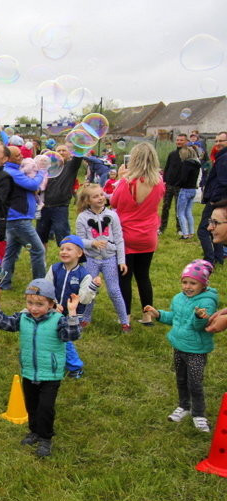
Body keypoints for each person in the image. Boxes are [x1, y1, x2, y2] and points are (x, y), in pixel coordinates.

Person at [0, 279, 82, 458]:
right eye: (30, 303)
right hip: (29, 371)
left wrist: (72, 313)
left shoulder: (59, 320)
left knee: (45, 407)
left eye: (40, 304)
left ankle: (46, 437)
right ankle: (35, 431)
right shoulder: (23, 318)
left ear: (51, 304)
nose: (34, 308)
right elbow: (1, 323)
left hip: (51, 374)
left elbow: (72, 335)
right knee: (31, 405)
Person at [142, 260, 217, 433]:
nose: (188, 287)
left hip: (196, 351)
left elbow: (200, 327)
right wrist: (158, 314)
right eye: (185, 282)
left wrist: (200, 317)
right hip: (179, 347)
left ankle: (199, 414)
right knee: (181, 379)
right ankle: (184, 406)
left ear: (203, 284)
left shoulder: (207, 302)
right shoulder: (178, 298)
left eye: (193, 283)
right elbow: (174, 318)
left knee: (195, 383)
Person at [110, 143, 165, 325]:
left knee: (125, 277)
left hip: (126, 236)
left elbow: (115, 203)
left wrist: (119, 178)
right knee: (143, 276)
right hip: (148, 236)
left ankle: (125, 315)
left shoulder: (127, 182)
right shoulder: (158, 183)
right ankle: (147, 314)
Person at [75, 183, 130, 331]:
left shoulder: (112, 215)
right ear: (87, 201)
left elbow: (119, 239)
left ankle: (125, 321)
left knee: (114, 290)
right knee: (89, 290)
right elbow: (80, 240)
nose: (100, 198)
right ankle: (85, 319)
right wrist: (93, 243)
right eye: (95, 196)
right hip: (91, 260)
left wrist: (121, 261)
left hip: (110, 259)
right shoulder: (82, 218)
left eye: (101, 194)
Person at [45, 235, 101, 378]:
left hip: (72, 315)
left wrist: (93, 287)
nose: (64, 252)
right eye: (62, 249)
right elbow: (47, 288)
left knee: (66, 339)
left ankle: (75, 367)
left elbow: (85, 299)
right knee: (52, 337)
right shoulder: (55, 269)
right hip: (53, 311)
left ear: (79, 253)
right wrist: (53, 303)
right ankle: (54, 362)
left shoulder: (84, 275)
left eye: (69, 249)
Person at [0, 147, 46, 290]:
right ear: (8, 158)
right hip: (18, 219)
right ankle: (40, 285)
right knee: (38, 250)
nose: (21, 156)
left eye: (21, 154)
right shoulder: (12, 172)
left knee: (11, 253)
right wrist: (42, 172)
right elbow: (32, 184)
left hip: (16, 219)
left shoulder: (16, 170)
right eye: (17, 155)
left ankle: (4, 283)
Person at [36, 143, 83, 246]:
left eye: (64, 150)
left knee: (63, 236)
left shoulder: (71, 166)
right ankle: (41, 261)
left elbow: (78, 157)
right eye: (59, 150)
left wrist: (79, 141)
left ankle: (66, 260)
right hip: (44, 206)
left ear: (69, 154)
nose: (61, 152)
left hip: (60, 207)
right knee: (41, 237)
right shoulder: (48, 167)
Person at [197, 131, 227, 265]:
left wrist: (214, 200)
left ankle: (209, 259)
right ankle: (219, 258)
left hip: (217, 200)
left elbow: (223, 182)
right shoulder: (221, 156)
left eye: (221, 141)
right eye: (216, 141)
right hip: (220, 200)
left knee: (203, 230)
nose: (218, 144)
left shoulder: (224, 158)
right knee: (217, 228)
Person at [160, 133, 188, 235]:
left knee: (179, 208)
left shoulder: (187, 155)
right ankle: (162, 228)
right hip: (169, 185)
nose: (179, 142)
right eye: (178, 140)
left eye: (181, 140)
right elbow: (167, 168)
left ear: (186, 142)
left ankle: (180, 228)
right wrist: (165, 180)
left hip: (180, 186)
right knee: (165, 207)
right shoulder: (172, 154)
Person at [176, 146, 202, 240]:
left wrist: (177, 184)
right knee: (188, 212)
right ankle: (191, 232)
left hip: (185, 190)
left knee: (180, 213)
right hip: (192, 190)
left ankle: (185, 233)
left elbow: (183, 178)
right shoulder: (197, 164)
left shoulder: (186, 164)